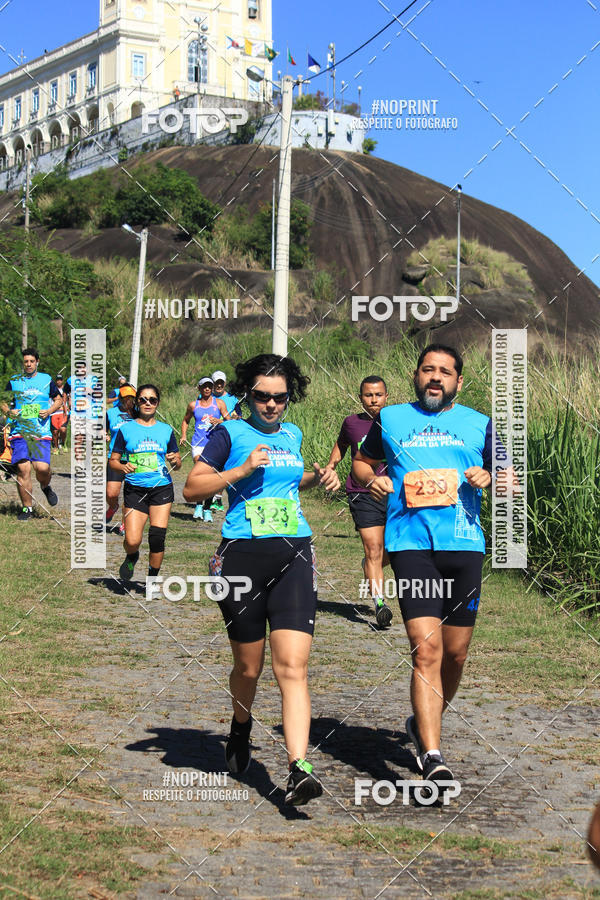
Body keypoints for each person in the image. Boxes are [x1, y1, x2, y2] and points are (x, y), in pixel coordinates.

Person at [183, 353, 340, 806]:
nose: (271, 405)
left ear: (290, 397)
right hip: (242, 558)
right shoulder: (229, 434)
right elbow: (192, 488)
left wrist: (317, 477)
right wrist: (241, 470)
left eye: (280, 397)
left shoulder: (293, 434)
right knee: (248, 668)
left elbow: (286, 483)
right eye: (262, 396)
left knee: (292, 667)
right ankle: (240, 725)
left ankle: (298, 767)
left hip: (294, 553)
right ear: (247, 395)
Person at [353, 344, 493, 790]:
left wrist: (491, 476)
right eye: (428, 370)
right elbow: (361, 462)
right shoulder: (391, 418)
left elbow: (509, 475)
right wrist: (373, 479)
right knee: (425, 650)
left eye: (445, 372)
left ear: (458, 382)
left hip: (464, 545)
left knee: (455, 654)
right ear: (416, 376)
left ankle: (422, 722)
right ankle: (432, 755)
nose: (436, 377)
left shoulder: (480, 424)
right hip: (410, 545)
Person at [326, 375, 392, 628]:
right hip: (362, 492)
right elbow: (341, 444)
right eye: (368, 395)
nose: (373, 400)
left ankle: (370, 565)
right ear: (360, 397)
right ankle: (380, 604)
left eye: (378, 395)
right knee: (373, 548)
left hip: (395, 493)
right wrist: (332, 465)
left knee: (394, 552)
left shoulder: (395, 421)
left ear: (387, 396)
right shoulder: (351, 423)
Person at [109, 384, 181, 582]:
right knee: (132, 541)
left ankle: (152, 581)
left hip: (161, 487)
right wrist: (122, 467)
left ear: (158, 403)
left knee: (157, 537)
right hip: (135, 490)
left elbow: (178, 463)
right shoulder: (126, 430)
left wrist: (175, 460)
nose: (148, 403)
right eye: (143, 399)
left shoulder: (166, 430)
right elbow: (113, 461)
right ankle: (132, 556)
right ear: (137, 402)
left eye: (152, 400)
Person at [3, 348, 64, 520]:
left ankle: (45, 486)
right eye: (26, 362)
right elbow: (3, 401)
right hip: (20, 431)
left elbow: (59, 400)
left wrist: (49, 410)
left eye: (31, 361)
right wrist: (9, 412)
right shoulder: (14, 381)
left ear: (37, 362)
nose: (28, 364)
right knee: (23, 469)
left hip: (41, 432)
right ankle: (27, 508)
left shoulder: (46, 380)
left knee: (42, 469)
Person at [180, 377, 229, 522]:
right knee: (201, 473)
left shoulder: (219, 403)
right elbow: (186, 420)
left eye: (209, 386)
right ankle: (199, 505)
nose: (207, 389)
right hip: (198, 443)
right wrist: (183, 435)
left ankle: (206, 509)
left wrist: (219, 421)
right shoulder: (193, 405)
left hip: (214, 444)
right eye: (204, 386)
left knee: (210, 476)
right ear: (199, 388)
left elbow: (229, 421)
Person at [106, 384, 136, 533]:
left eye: (131, 398)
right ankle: (113, 506)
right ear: (120, 398)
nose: (129, 401)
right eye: (126, 398)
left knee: (130, 494)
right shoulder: (110, 413)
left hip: (134, 457)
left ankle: (125, 523)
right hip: (115, 457)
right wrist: (104, 434)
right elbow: (102, 429)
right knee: (111, 493)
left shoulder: (138, 413)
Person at [210, 370, 241, 512]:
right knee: (210, 468)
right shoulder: (205, 397)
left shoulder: (232, 399)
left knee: (222, 468)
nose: (219, 385)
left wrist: (222, 421)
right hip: (208, 436)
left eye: (221, 383)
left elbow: (238, 417)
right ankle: (207, 498)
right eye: (216, 383)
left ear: (225, 383)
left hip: (227, 436)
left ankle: (217, 499)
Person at [50, 374, 69, 453]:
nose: (59, 381)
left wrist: (68, 407)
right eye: (57, 380)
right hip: (53, 413)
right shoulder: (52, 389)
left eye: (60, 380)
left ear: (62, 380)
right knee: (55, 432)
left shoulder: (65, 389)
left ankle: (63, 443)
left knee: (63, 429)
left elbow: (69, 398)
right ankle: (56, 447)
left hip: (63, 412)